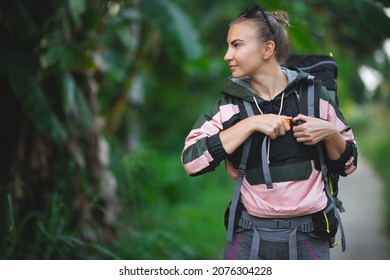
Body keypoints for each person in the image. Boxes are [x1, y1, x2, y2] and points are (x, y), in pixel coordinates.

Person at [180, 5, 358, 260]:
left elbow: (350, 163)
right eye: (228, 46)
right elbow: (190, 162)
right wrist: (249, 125)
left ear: (267, 49)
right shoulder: (229, 107)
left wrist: (330, 133)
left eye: (237, 45)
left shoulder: (314, 96)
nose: (227, 55)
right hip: (248, 236)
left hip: (309, 238)